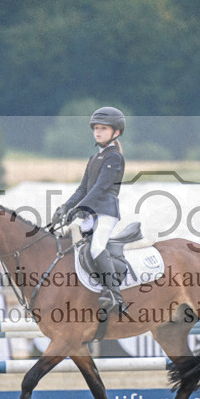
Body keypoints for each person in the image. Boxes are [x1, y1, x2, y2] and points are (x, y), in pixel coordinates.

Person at [53, 106, 127, 311]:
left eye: (103, 128)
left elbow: (100, 187)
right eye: (96, 128)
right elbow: (83, 189)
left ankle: (115, 296)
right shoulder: (94, 158)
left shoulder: (114, 157)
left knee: (96, 248)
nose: (98, 132)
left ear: (116, 132)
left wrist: (81, 209)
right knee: (71, 247)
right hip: (91, 212)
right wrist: (65, 207)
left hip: (106, 212)